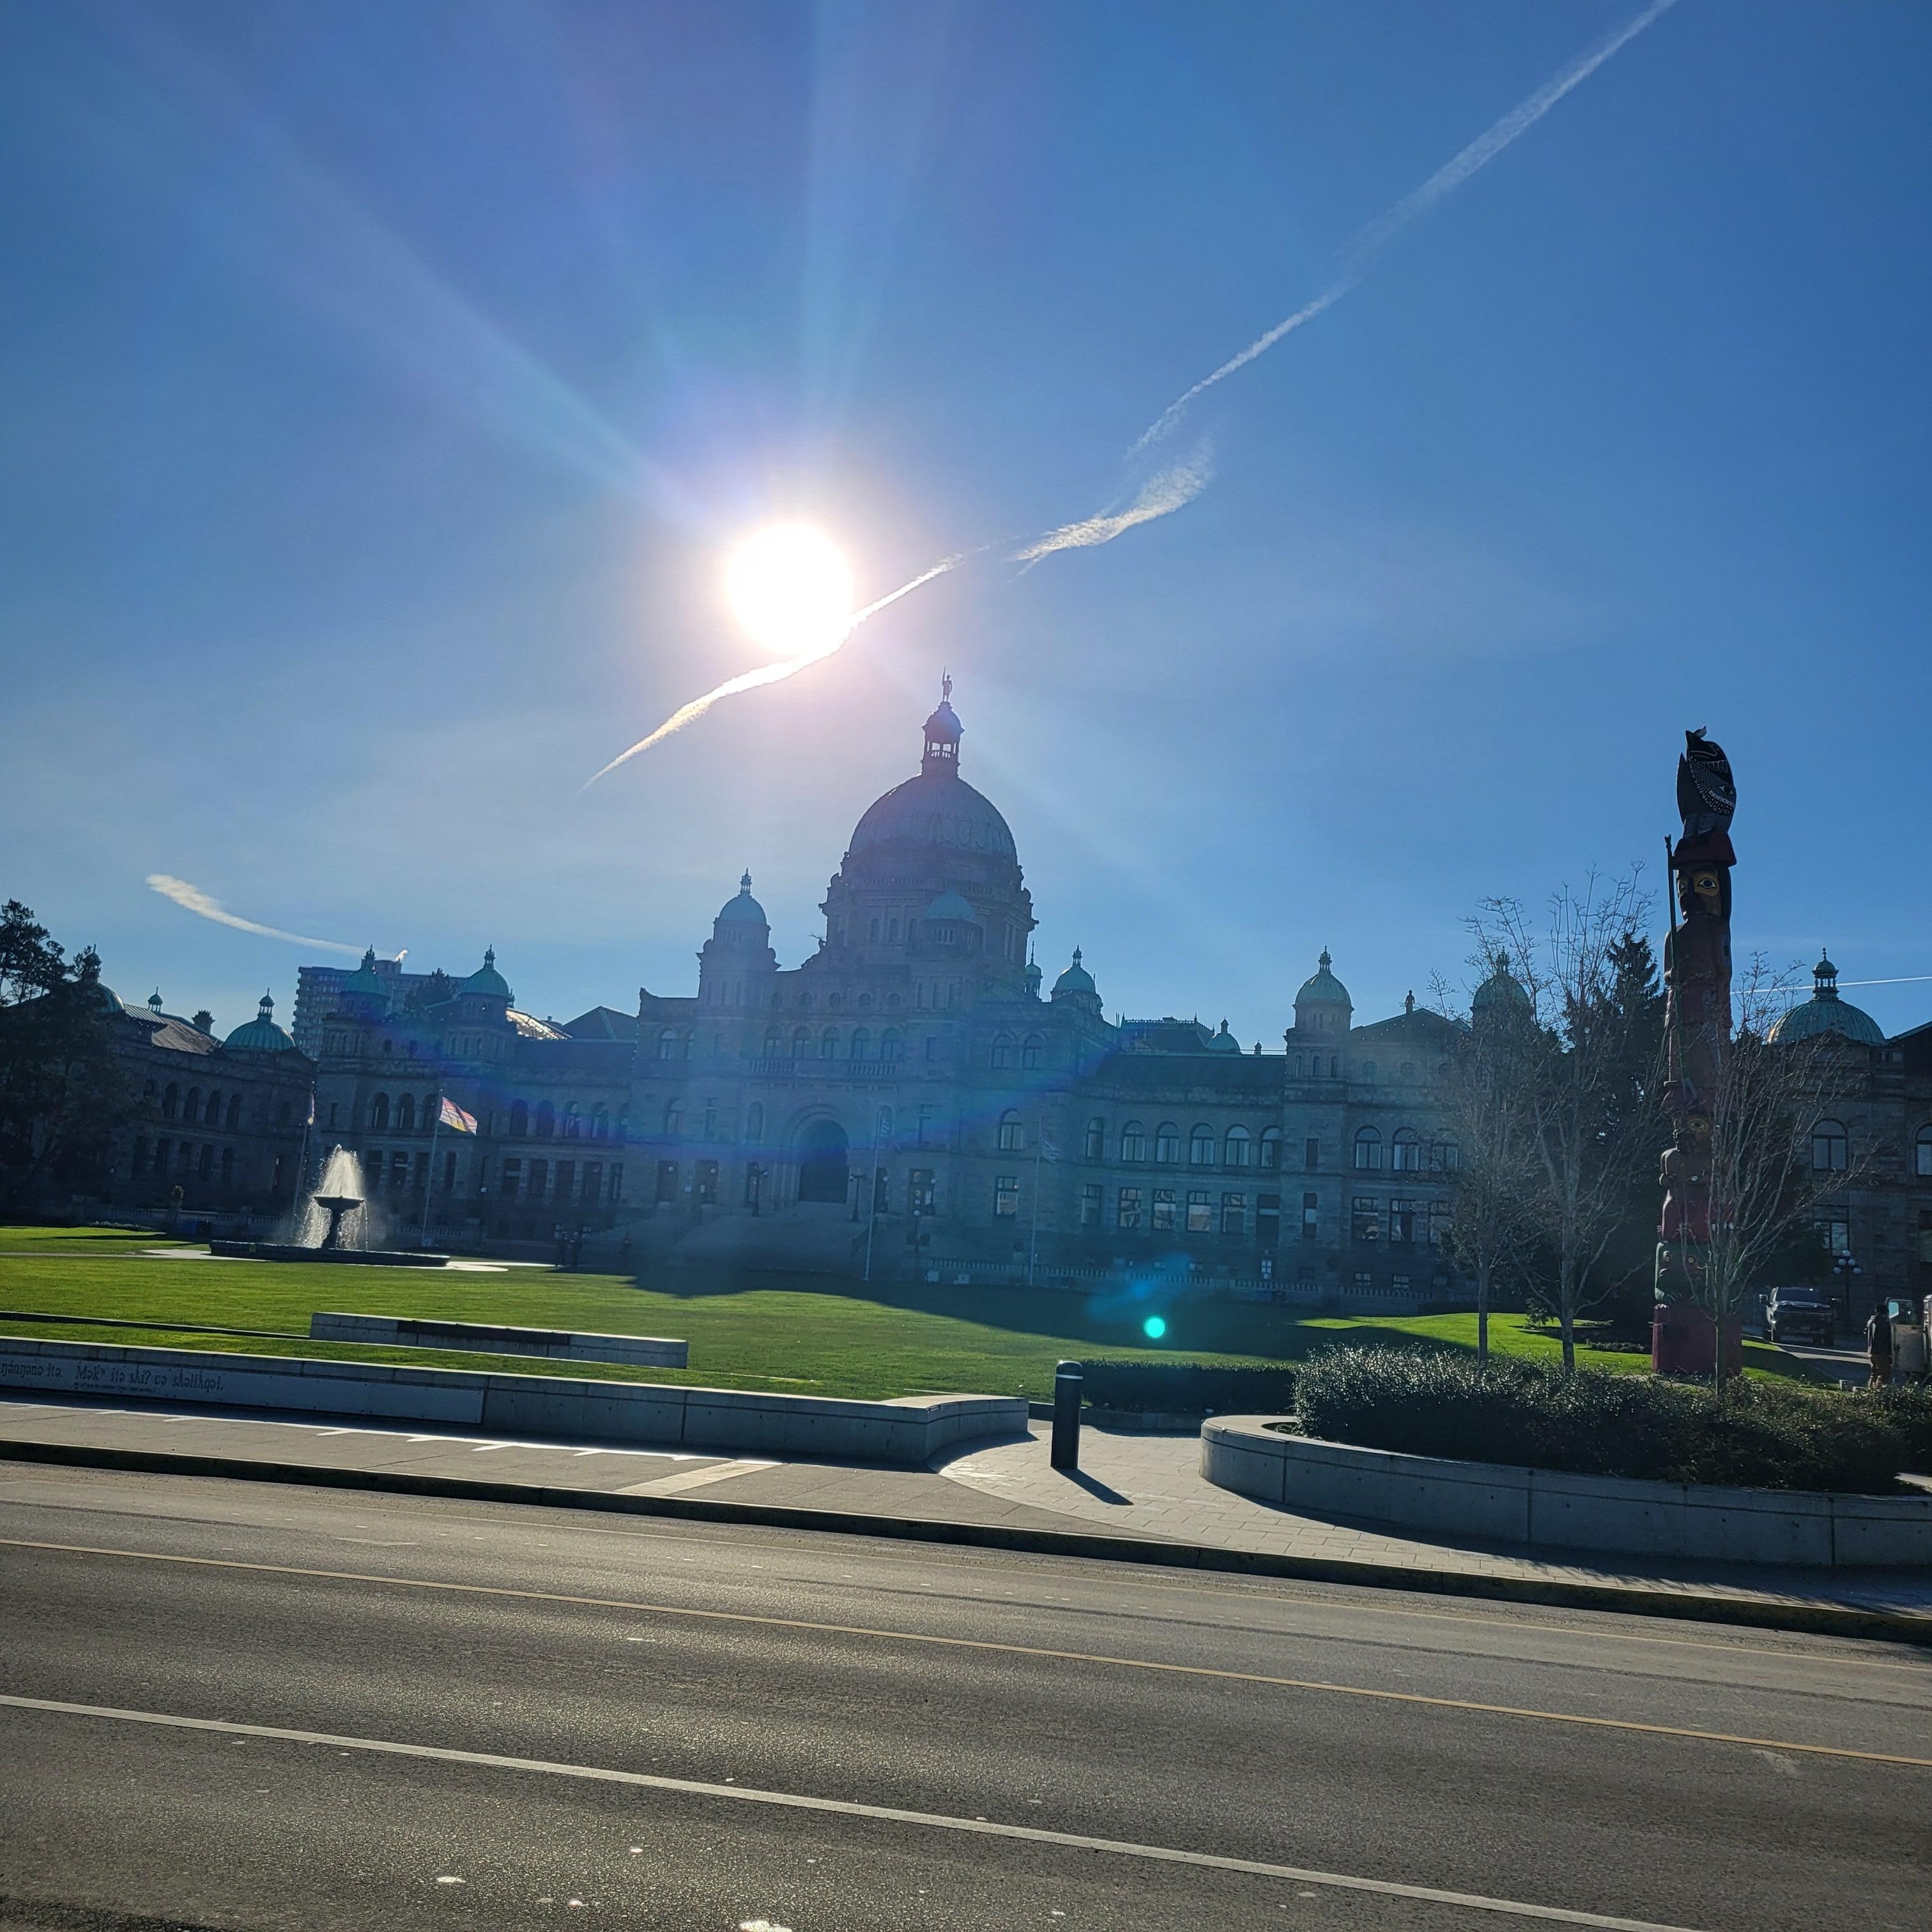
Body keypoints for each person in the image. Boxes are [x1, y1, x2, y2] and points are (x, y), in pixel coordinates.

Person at [1866, 1305, 1894, 1388]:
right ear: (1885, 1312)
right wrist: (1890, 1354)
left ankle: (1870, 1389)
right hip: (1881, 1352)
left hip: (1871, 1351)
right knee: (1884, 1373)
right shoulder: (1883, 1323)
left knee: (1874, 1372)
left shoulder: (1870, 1322)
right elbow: (1886, 1339)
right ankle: (1879, 1391)